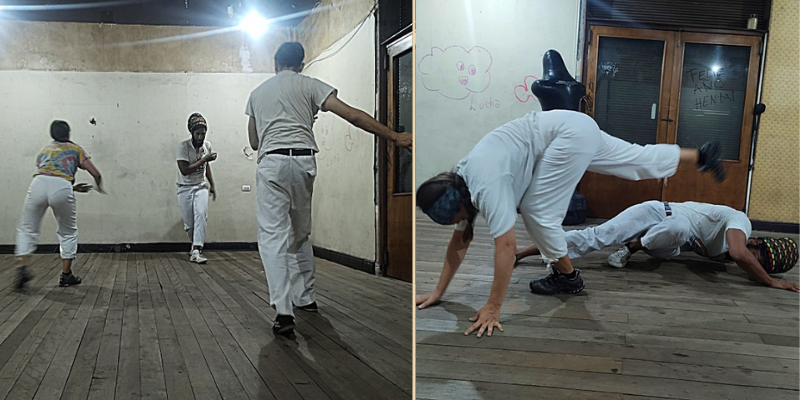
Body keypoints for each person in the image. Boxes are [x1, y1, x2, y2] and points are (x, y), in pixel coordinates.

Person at [415, 109, 725, 338]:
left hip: (566, 135)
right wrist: (438, 292)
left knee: (536, 212)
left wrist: (493, 307)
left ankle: (568, 277)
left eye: (456, 218)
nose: (459, 223)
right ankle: (700, 156)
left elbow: (506, 247)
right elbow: (459, 241)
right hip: (575, 126)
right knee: (634, 158)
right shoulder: (460, 181)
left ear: (458, 204)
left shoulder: (486, 185)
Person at [246, 42, 413, 335]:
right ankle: (306, 298)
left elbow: (255, 142)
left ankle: (283, 311)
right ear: (301, 64)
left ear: (275, 64)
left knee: (272, 236)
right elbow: (353, 116)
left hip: (271, 162)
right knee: (300, 233)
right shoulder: (311, 85)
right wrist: (394, 137)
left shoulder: (257, 94)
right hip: (303, 162)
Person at [515, 200, 799, 292]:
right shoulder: (741, 223)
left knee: (679, 236)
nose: (753, 262)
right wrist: (770, 281)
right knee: (597, 237)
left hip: (665, 242)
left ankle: (635, 245)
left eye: (762, 265)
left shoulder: (724, 256)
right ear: (757, 241)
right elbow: (739, 253)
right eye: (759, 256)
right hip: (657, 213)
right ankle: (522, 252)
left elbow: (735, 256)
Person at [14, 120, 104, 289]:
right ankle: (66, 275)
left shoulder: (44, 150)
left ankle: (22, 267)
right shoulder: (76, 149)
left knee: (27, 228)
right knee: (67, 231)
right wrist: (99, 186)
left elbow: (49, 177)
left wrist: (71, 188)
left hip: (37, 185)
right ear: (68, 133)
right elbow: (95, 174)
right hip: (62, 186)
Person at [176, 113, 217, 264]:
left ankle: (196, 250)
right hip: (184, 187)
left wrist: (212, 184)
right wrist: (204, 159)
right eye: (198, 134)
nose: (200, 137)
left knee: (201, 213)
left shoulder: (207, 146)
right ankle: (194, 244)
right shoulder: (183, 147)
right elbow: (184, 170)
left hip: (201, 186)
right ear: (191, 132)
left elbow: (206, 167)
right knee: (189, 225)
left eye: (203, 134)